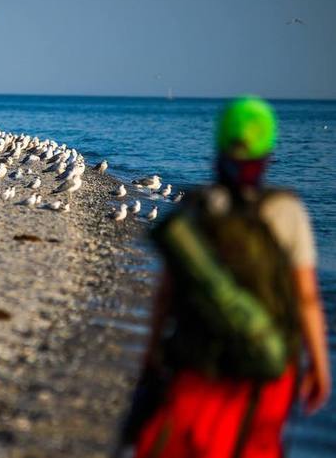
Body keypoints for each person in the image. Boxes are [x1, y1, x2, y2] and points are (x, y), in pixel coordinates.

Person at [119, 96, 331, 458]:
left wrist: (151, 356)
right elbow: (307, 298)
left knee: (187, 444)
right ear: (268, 152)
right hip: (266, 366)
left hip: (198, 359)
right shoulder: (287, 210)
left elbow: (166, 295)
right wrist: (319, 365)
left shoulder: (196, 209)